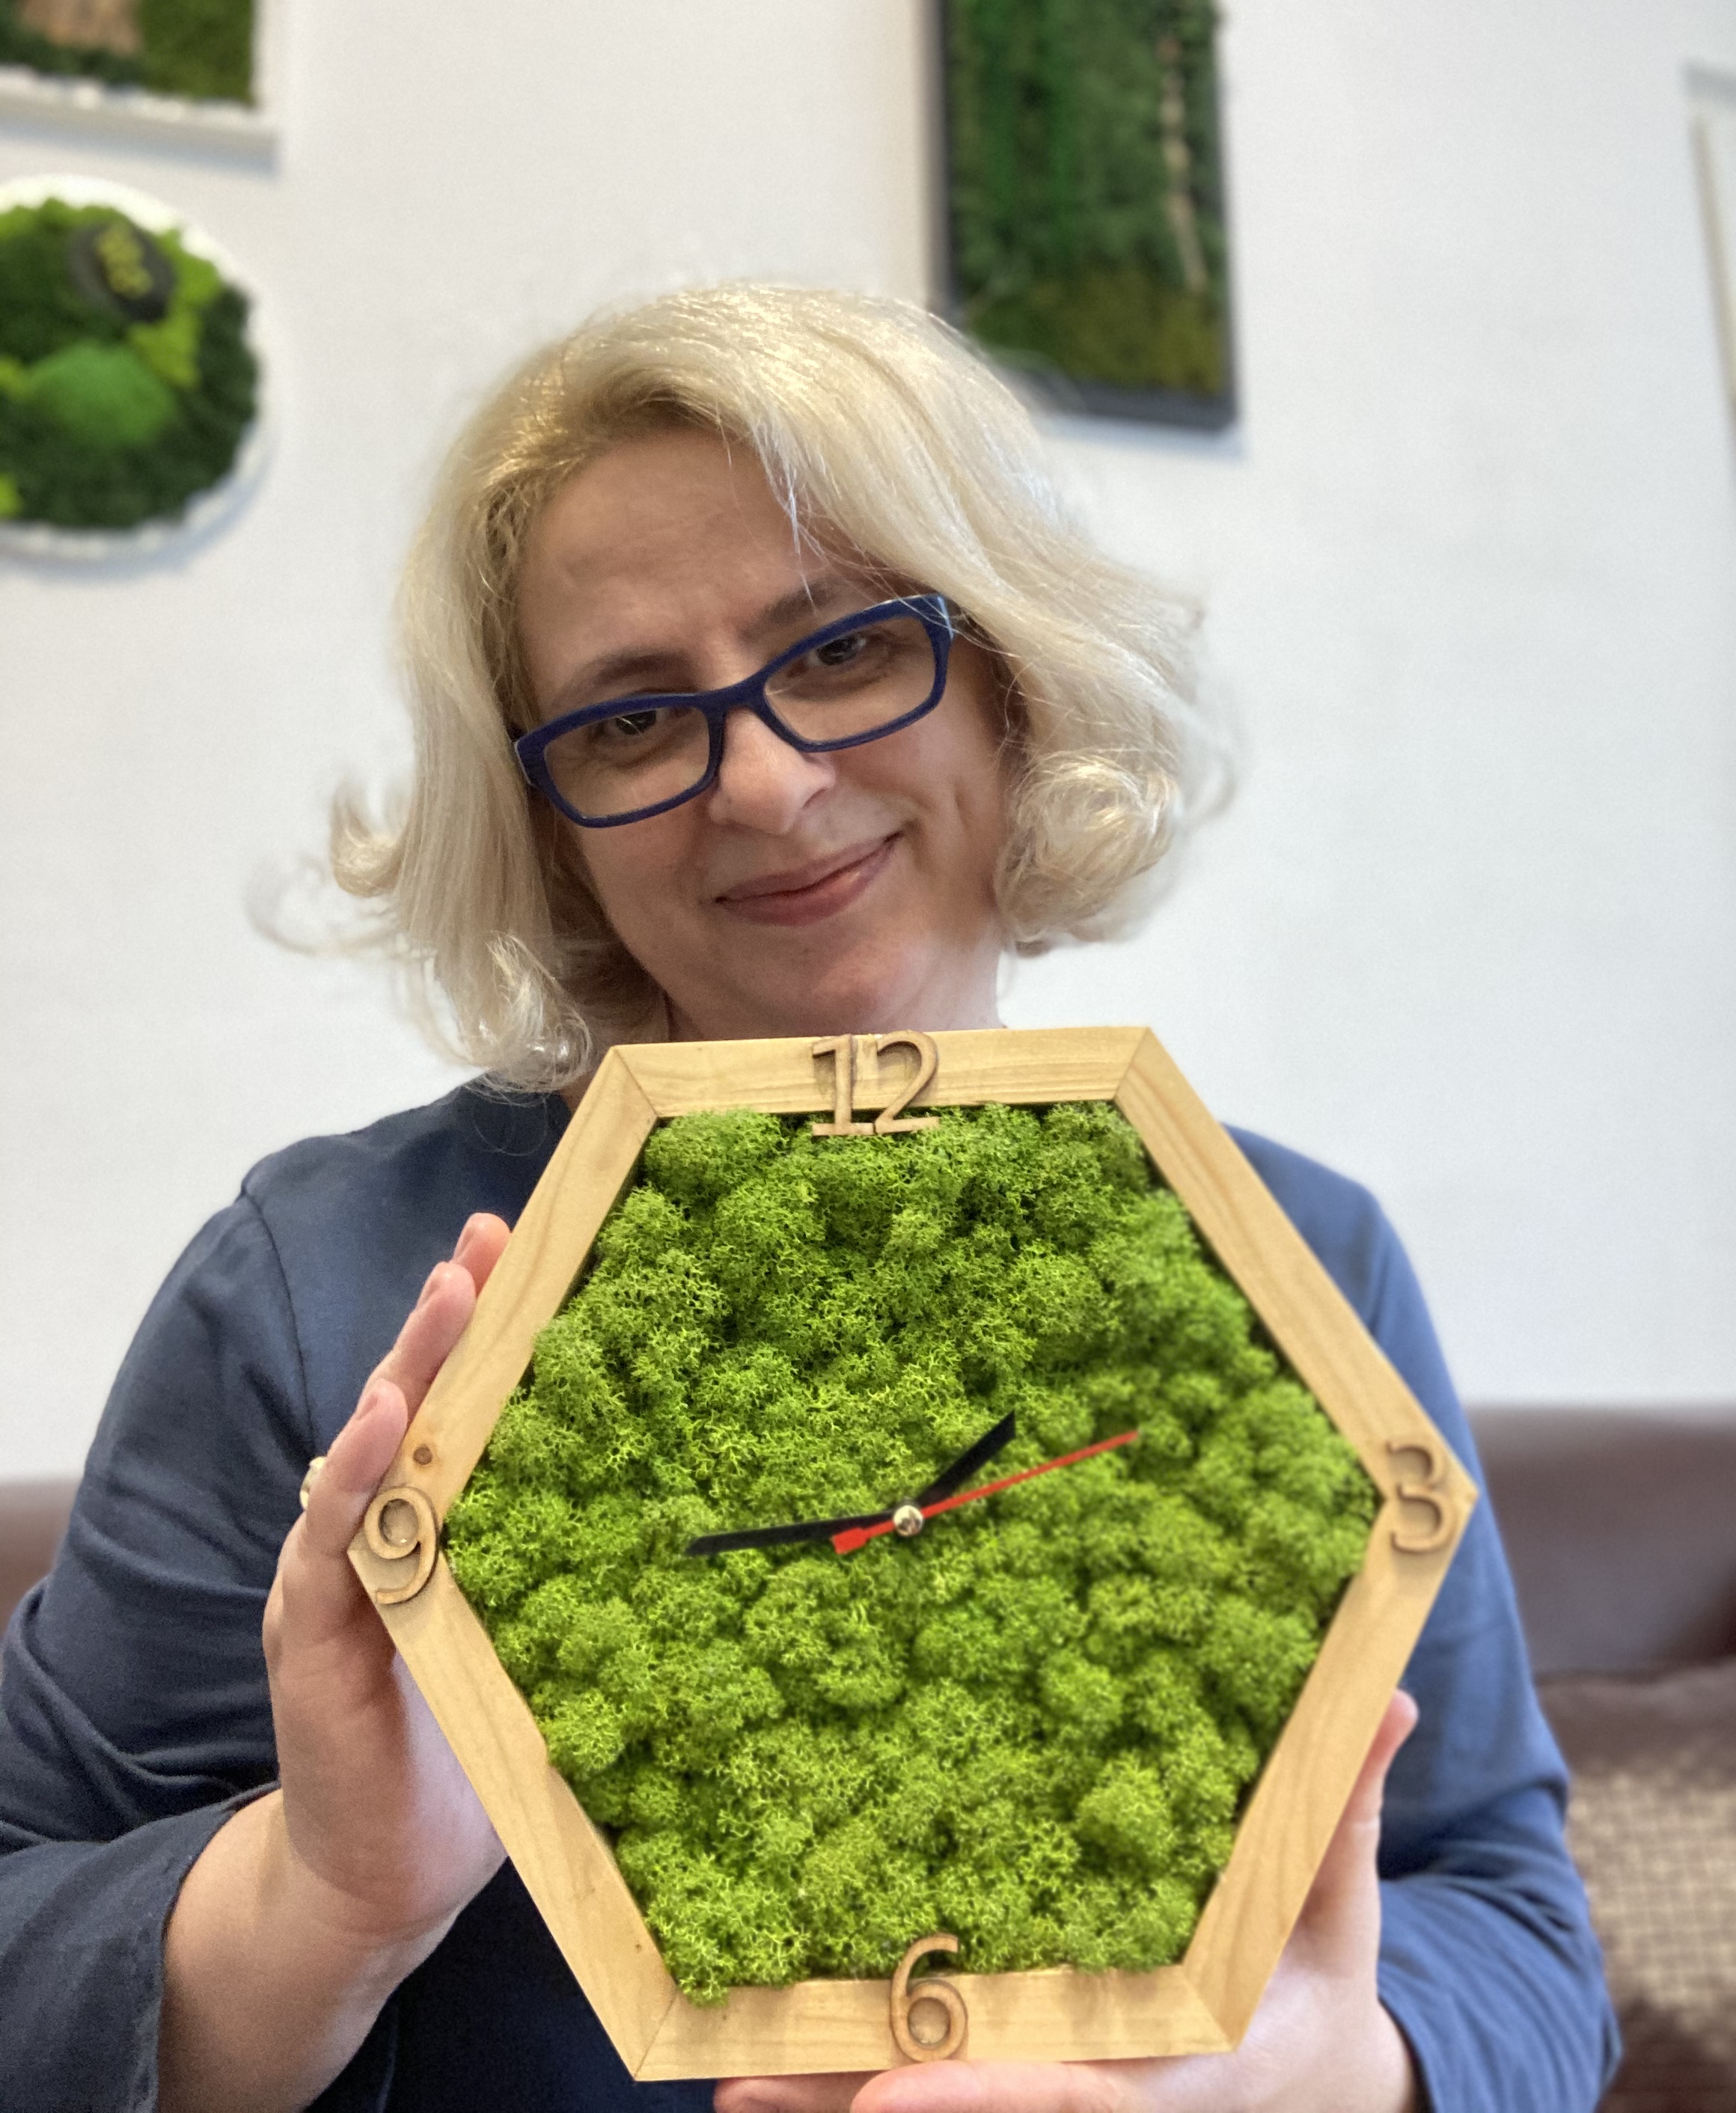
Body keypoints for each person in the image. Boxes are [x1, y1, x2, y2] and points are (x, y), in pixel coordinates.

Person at [0, 287, 1618, 2113]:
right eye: (632, 720)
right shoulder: (313, 1289)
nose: (765, 784)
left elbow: (1510, 1927)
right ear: (553, 826)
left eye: (843, 647)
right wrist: (322, 1899)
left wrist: (1289, 2072)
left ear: (1014, 678)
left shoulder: (1298, 1258)